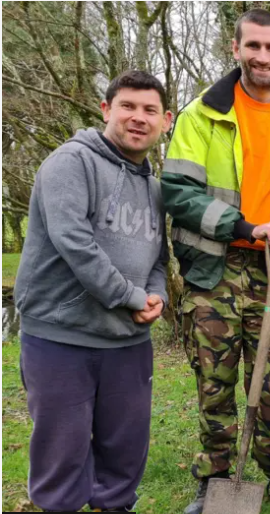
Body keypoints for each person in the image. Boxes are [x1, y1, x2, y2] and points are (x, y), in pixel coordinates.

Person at [161, 9, 270, 513]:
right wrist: (248, 228)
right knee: (216, 382)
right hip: (214, 269)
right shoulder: (200, 116)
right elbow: (176, 191)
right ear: (236, 50)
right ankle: (214, 479)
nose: (262, 56)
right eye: (253, 46)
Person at [14, 70, 171, 512]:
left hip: (128, 343)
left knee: (124, 455)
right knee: (61, 456)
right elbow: (74, 244)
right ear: (106, 110)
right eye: (127, 106)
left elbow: (158, 257)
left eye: (149, 110)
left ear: (165, 121)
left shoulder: (155, 188)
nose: (138, 118)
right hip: (62, 338)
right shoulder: (70, 163)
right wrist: (132, 297)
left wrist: (155, 295)